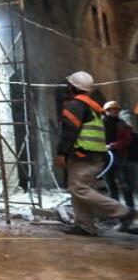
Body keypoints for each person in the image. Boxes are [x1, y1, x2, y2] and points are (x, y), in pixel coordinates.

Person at [56, 71, 135, 235]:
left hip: (83, 155)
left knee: (79, 189)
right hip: (95, 155)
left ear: (71, 87)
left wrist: (61, 153)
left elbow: (69, 131)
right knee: (79, 189)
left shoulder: (75, 105)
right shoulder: (92, 106)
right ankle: (85, 225)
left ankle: (124, 212)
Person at [103, 100, 135, 210]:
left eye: (116, 110)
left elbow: (127, 140)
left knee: (123, 182)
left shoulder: (123, 125)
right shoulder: (100, 124)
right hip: (105, 158)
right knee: (110, 184)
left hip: (118, 157)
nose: (114, 112)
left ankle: (130, 207)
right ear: (106, 111)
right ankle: (115, 208)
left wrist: (112, 146)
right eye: (112, 110)